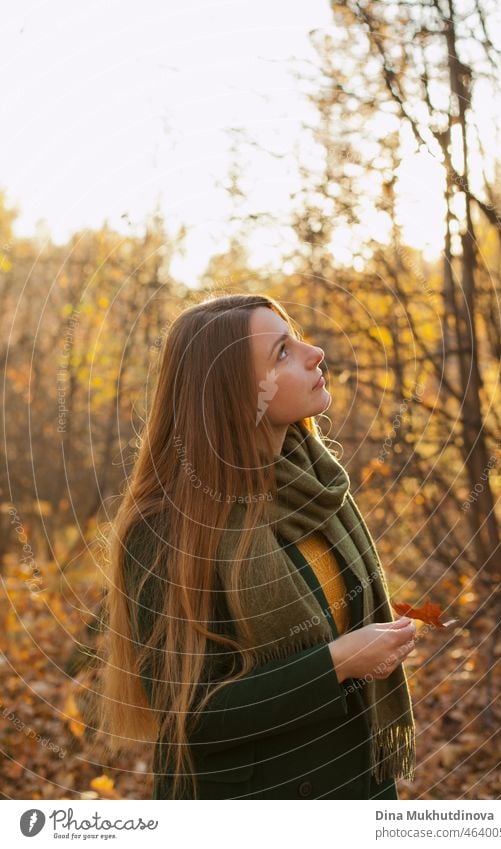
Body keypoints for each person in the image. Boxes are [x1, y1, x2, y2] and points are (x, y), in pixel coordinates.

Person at [98, 293, 416, 800]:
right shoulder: (165, 528)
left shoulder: (317, 488)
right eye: (282, 352)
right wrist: (338, 662)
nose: (315, 353)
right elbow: (189, 716)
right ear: (237, 396)